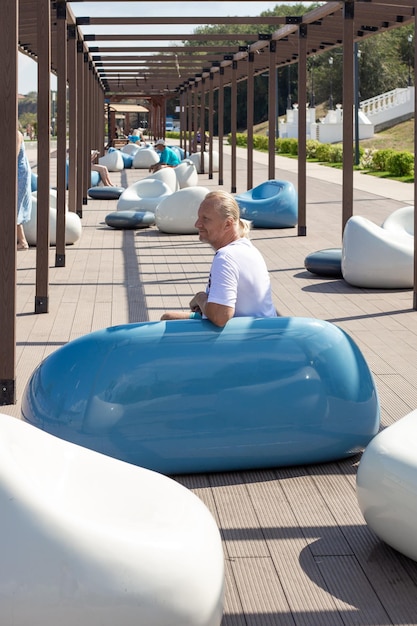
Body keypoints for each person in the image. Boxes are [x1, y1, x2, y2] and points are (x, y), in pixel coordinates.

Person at [161, 190, 277, 327]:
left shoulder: (226, 257)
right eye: (198, 217)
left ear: (228, 224)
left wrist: (200, 297)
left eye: (205, 219)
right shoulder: (248, 248)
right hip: (261, 329)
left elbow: (221, 316)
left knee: (168, 322)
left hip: (247, 339)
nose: (197, 224)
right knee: (170, 318)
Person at [17, 130, 32, 250]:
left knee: (15, 206)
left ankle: (22, 242)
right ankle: (22, 241)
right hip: (15, 173)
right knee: (15, 207)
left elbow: (13, 155)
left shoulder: (16, 135)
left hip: (19, 175)